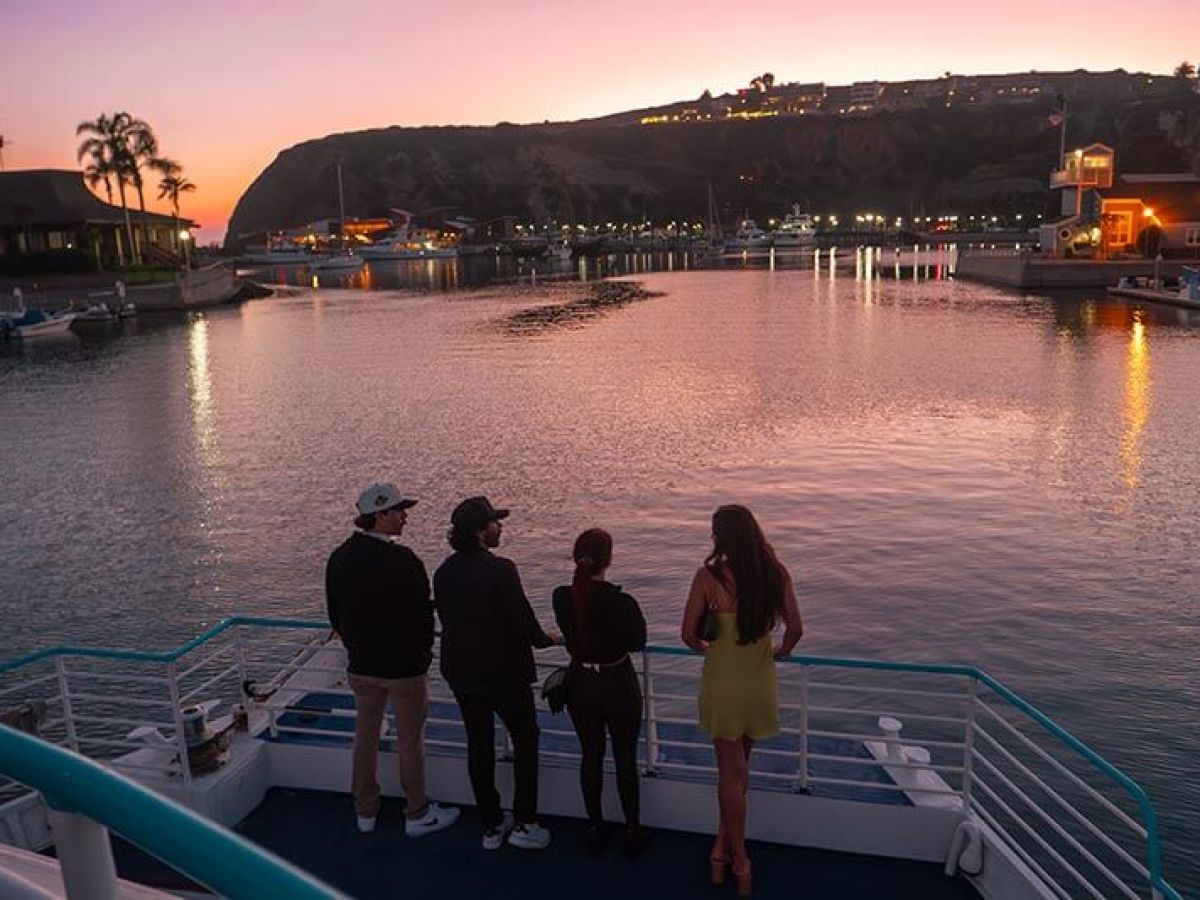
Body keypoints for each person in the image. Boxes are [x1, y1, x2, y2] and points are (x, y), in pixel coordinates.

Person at [680, 505, 804, 898]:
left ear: (721, 536)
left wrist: (714, 648)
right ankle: (721, 850)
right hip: (759, 681)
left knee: (729, 774)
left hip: (723, 681)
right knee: (739, 770)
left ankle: (739, 860)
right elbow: (796, 629)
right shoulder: (775, 574)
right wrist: (781, 650)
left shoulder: (708, 577)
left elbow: (687, 635)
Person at [325, 482, 460, 837]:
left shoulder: (338, 559)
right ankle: (416, 813)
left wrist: (356, 647)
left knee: (365, 735)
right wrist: (423, 656)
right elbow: (421, 617)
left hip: (361, 667)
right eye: (400, 511)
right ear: (380, 514)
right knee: (409, 741)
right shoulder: (404, 561)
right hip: (404, 670)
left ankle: (365, 811)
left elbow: (334, 616)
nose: (405, 518)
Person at [434, 496, 559, 851]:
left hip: (461, 673)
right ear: (479, 532)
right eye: (494, 522)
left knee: (478, 744)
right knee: (525, 739)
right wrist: (547, 639)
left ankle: (491, 823)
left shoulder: (444, 572)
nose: (500, 526)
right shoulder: (502, 569)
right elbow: (524, 624)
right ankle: (525, 821)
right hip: (504, 674)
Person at [552, 528, 648, 858]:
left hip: (580, 683)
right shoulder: (621, 602)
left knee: (590, 754)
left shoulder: (561, 597)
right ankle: (633, 830)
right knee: (625, 758)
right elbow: (638, 642)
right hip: (617, 682)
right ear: (609, 559)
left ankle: (595, 826)